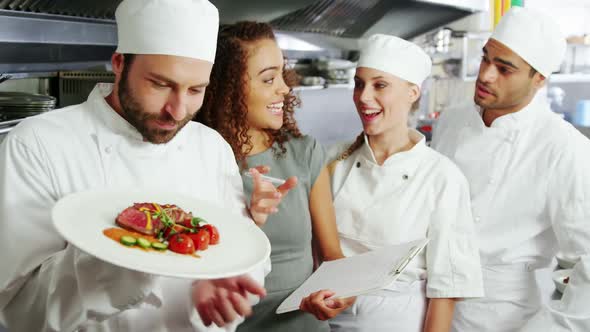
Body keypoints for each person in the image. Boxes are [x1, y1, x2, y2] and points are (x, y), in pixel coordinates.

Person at [0, 1, 291, 331]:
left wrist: (226, 283)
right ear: (119, 63)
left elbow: (243, 255)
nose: (178, 111)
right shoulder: (38, 145)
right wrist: (127, 262)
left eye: (196, 90)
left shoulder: (211, 147)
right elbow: (18, 310)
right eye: (161, 84)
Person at [299, 34, 484, 331]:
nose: (363, 97)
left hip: (396, 322)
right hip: (324, 322)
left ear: (413, 92)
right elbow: (309, 251)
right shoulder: (332, 160)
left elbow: (446, 290)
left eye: (379, 85)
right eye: (359, 84)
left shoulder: (441, 178)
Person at [431, 7, 590, 332]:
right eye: (486, 58)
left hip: (503, 318)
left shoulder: (564, 148)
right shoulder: (452, 119)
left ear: (539, 79)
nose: (486, 75)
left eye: (504, 69)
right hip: (430, 303)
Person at [196, 21, 344, 332]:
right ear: (229, 87)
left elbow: (332, 258)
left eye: (282, 74)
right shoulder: (197, 158)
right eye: (268, 79)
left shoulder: (304, 153)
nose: (285, 88)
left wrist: (337, 295)